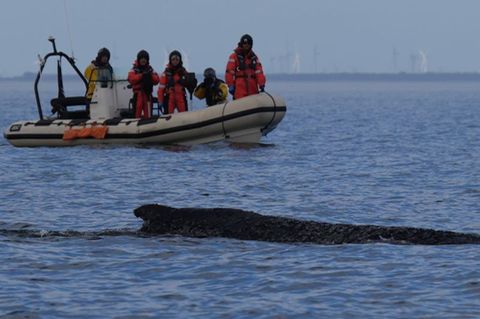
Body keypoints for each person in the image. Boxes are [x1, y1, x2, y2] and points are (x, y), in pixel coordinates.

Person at [225, 34, 266, 100]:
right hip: (240, 91)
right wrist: (230, 85)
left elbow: (259, 72)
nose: (246, 45)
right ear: (241, 44)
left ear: (251, 45)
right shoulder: (234, 56)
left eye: (248, 43)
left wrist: (262, 84)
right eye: (244, 43)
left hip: (253, 91)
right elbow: (229, 72)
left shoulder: (254, 58)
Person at [127, 50, 160, 119]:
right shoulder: (134, 69)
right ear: (138, 59)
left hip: (147, 95)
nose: (143, 60)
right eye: (141, 58)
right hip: (137, 95)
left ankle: (148, 128)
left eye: (145, 58)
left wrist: (149, 75)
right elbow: (131, 79)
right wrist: (142, 75)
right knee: (136, 115)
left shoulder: (150, 69)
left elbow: (157, 80)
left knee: (148, 116)